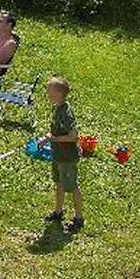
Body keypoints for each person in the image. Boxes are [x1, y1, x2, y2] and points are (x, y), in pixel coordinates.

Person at [40, 76, 84, 233]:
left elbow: (73, 137)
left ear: (58, 94)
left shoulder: (65, 113)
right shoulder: (57, 108)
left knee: (71, 187)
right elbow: (56, 130)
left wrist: (54, 139)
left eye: (49, 91)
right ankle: (58, 212)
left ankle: (79, 218)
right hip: (58, 155)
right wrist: (48, 137)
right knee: (59, 183)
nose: (47, 93)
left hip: (67, 157)